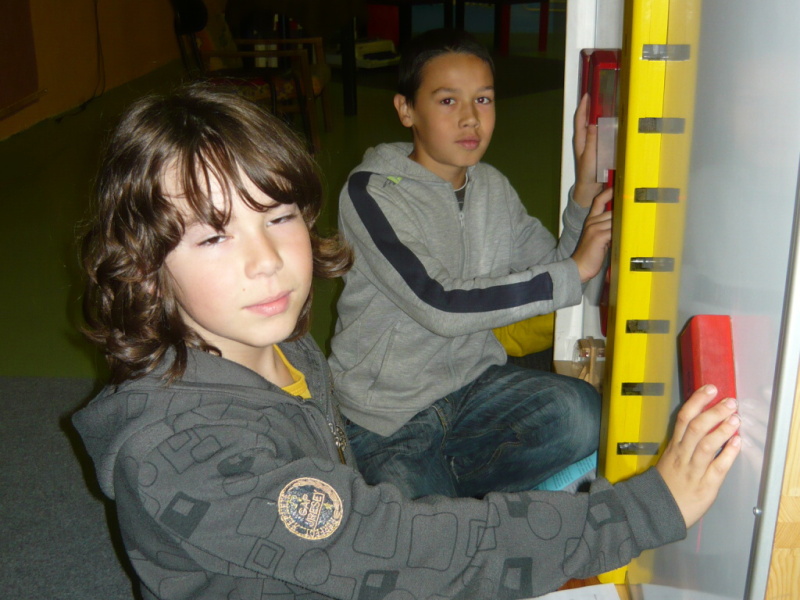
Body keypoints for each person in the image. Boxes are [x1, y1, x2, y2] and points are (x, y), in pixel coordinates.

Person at [73, 83, 741, 600]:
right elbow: (394, 550)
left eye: (277, 217)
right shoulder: (182, 452)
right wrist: (643, 512)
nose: (266, 262)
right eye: (214, 236)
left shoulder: (279, 343)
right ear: (145, 268)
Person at [328, 28, 614, 499]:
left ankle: (450, 497)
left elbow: (561, 272)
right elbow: (438, 303)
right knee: (423, 535)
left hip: (473, 390)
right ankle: (445, 501)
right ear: (406, 109)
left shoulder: (492, 187)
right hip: (386, 419)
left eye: (483, 100)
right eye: (447, 101)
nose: (470, 119)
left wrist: (583, 193)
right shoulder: (370, 193)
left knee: (582, 414)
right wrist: (572, 271)